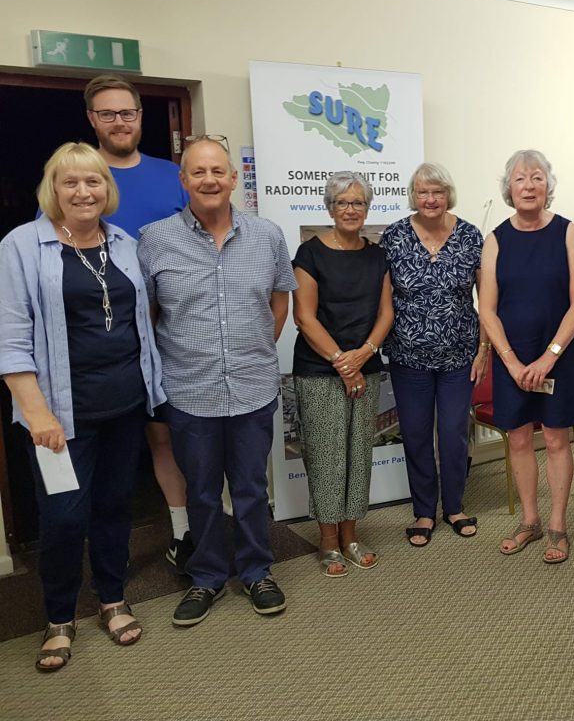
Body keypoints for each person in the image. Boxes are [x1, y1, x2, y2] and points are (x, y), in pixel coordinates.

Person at [0, 142, 164, 671]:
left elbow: (142, 318)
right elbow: (10, 338)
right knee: (65, 518)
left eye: (93, 181)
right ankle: (59, 616)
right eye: (70, 181)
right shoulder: (22, 245)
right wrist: (37, 413)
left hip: (124, 405)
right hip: (58, 417)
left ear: (106, 189)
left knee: (115, 507)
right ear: (53, 189)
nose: (83, 191)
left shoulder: (124, 244)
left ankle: (112, 599)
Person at [137, 137, 297, 626]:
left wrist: (254, 348)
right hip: (189, 391)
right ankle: (205, 576)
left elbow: (280, 301)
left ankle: (256, 571)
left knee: (250, 488)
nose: (209, 180)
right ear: (184, 180)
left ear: (232, 179)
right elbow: (148, 314)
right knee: (202, 491)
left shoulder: (267, 235)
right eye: (198, 172)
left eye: (217, 171)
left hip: (252, 386)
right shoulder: (154, 239)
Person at [84, 74, 192, 572]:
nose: (119, 122)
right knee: (122, 446)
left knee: (173, 434)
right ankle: (113, 556)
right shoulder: (79, 175)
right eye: (107, 114)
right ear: (92, 119)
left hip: (171, 331)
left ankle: (188, 532)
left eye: (127, 112)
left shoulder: (172, 176)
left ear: (140, 117)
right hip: (104, 340)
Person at [479, 149, 574, 564]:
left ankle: (558, 526)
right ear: (509, 188)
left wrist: (549, 357)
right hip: (513, 357)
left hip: (557, 353)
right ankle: (530, 521)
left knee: (557, 438)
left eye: (537, 177)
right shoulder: (496, 240)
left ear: (548, 186)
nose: (529, 186)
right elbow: (487, 309)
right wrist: (510, 361)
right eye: (521, 179)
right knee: (520, 438)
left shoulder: (568, 232)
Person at [379, 163, 487, 547]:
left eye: (437, 192)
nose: (430, 199)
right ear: (413, 196)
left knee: (454, 433)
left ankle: (454, 507)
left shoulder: (470, 236)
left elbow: (487, 300)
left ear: (448, 195)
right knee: (416, 434)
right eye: (423, 192)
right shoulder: (394, 237)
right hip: (408, 356)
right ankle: (424, 511)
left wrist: (484, 349)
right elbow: (383, 301)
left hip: (460, 354)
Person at [292, 171, 393, 575]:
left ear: (367, 209)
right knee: (326, 456)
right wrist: (342, 362)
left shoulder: (378, 256)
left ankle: (350, 535)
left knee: (358, 455)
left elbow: (386, 313)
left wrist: (363, 355)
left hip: (365, 367)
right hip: (319, 371)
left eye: (358, 202)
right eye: (342, 202)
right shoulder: (310, 254)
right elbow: (304, 317)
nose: (351, 209)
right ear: (330, 208)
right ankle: (328, 540)